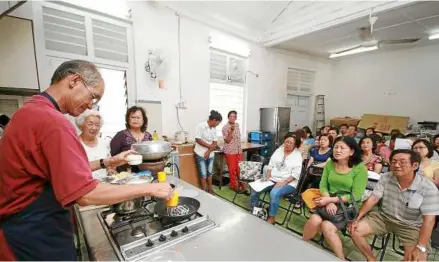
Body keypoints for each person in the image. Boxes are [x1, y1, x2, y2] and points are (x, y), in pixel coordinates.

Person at [0, 60, 172, 260]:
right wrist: (150, 188)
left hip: (20, 231)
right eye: (93, 96)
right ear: (74, 80)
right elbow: (85, 194)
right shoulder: (53, 122)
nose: (91, 105)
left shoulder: (29, 111)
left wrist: (106, 163)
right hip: (34, 236)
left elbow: (52, 170)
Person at [349, 149, 439, 262]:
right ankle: (371, 259)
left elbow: (429, 221)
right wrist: (358, 217)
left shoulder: (428, 188)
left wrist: (421, 247)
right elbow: (373, 199)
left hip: (411, 225)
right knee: (354, 230)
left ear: (415, 165)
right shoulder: (386, 177)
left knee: (416, 259)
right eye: (393, 161)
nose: (396, 165)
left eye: (402, 162)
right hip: (384, 217)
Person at [302, 136, 367, 260]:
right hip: (328, 200)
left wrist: (331, 200)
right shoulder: (330, 163)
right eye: (336, 147)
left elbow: (356, 195)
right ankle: (302, 244)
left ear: (352, 151)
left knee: (327, 226)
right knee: (314, 220)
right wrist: (327, 199)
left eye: (342, 148)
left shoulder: (360, 168)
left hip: (347, 206)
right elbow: (323, 184)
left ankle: (340, 258)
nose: (338, 150)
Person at [250, 132, 302, 224]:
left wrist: (284, 182)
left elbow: (296, 174)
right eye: (286, 142)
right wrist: (267, 175)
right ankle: (256, 210)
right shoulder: (279, 150)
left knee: (274, 193)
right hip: (272, 179)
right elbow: (271, 165)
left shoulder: (297, 155)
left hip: (289, 183)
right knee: (255, 188)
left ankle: (271, 216)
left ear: (295, 145)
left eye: (291, 143)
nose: (288, 144)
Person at [110, 106, 152, 171]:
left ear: (143, 120)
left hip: (145, 173)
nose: (135, 120)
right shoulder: (120, 136)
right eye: (133, 117)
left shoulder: (148, 136)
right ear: (128, 119)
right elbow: (112, 156)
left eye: (138, 117)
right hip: (125, 175)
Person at [76, 109, 114, 180]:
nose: (94, 128)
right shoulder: (75, 143)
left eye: (97, 125)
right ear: (81, 125)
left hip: (103, 185)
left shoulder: (104, 143)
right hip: (83, 185)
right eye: (90, 124)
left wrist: (109, 170)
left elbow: (109, 163)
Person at [195, 110, 222, 194]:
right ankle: (203, 191)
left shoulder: (214, 129)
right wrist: (210, 147)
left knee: (210, 172)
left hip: (210, 154)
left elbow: (215, 142)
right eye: (218, 122)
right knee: (203, 173)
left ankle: (210, 189)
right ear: (213, 120)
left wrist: (209, 151)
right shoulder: (201, 126)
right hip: (200, 153)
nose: (218, 124)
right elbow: (198, 139)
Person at [222, 110, 245, 193]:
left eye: (234, 116)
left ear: (236, 118)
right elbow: (227, 140)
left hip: (238, 150)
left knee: (240, 169)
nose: (232, 118)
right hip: (230, 151)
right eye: (231, 116)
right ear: (228, 117)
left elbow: (238, 138)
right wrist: (231, 130)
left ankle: (241, 185)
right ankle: (233, 185)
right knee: (232, 170)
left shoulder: (237, 125)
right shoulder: (225, 127)